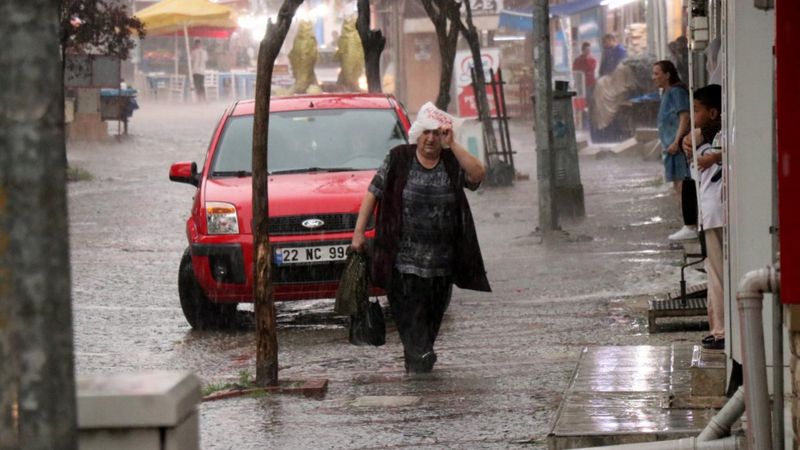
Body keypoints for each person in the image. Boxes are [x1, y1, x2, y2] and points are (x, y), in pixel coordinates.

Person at [350, 102, 491, 374]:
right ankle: (421, 355)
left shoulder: (451, 163)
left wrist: (455, 146)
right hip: (402, 261)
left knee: (430, 320)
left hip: (441, 263)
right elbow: (373, 193)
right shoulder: (399, 158)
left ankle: (417, 364)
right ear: (417, 133)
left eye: (437, 133)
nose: (430, 138)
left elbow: (478, 174)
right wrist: (358, 233)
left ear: (443, 137)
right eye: (427, 132)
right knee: (409, 316)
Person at [681, 84, 723, 350]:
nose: (693, 116)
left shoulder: (718, 137)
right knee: (713, 272)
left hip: (716, 212)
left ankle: (721, 331)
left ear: (713, 112)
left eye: (697, 110)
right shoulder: (700, 136)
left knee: (717, 273)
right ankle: (718, 327)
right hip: (711, 212)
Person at [653, 60, 693, 240]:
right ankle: (687, 222)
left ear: (667, 74)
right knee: (677, 185)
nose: (654, 77)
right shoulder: (666, 93)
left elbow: (684, 117)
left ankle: (690, 224)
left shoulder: (676, 92)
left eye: (657, 73)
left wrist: (676, 141)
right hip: (670, 146)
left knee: (683, 184)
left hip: (676, 145)